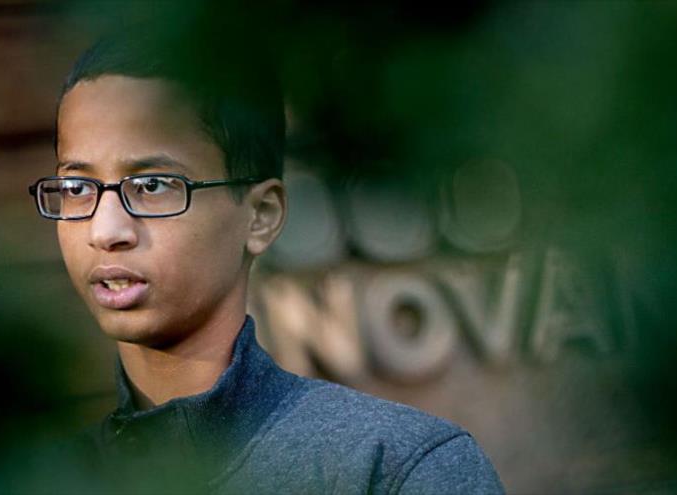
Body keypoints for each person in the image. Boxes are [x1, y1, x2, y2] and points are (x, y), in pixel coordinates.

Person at [28, 29, 505, 494]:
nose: (106, 231)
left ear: (261, 216)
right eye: (77, 187)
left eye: (152, 185)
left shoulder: (393, 467)